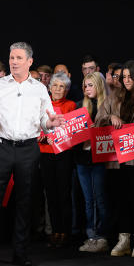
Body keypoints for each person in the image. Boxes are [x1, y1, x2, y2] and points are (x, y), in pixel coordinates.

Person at [0, 42, 63, 266]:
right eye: (12, 58)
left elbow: (45, 119)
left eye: (19, 58)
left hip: (28, 149)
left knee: (25, 202)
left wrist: (49, 124)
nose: (14, 62)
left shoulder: (40, 89)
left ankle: (20, 253)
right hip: (0, 148)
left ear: (29, 61)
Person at [108, 60, 134, 257]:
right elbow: (99, 118)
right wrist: (111, 118)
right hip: (117, 159)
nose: (126, 80)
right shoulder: (115, 97)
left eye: (129, 77)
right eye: (123, 77)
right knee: (120, 199)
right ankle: (124, 238)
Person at [39, 72, 76, 247]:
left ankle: (65, 232)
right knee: (50, 194)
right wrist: (41, 136)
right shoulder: (42, 105)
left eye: (62, 86)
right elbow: (35, 125)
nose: (58, 89)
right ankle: (54, 231)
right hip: (45, 152)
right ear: (49, 87)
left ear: (66, 90)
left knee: (63, 193)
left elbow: (74, 130)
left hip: (63, 154)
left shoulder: (71, 105)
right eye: (55, 85)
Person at [76, 72, 111, 253]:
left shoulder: (108, 106)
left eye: (90, 85)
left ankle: (102, 236)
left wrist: (98, 129)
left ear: (99, 85)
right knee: (88, 200)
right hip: (82, 159)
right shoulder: (80, 106)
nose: (87, 89)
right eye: (85, 85)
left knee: (100, 199)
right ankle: (91, 236)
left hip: (100, 160)